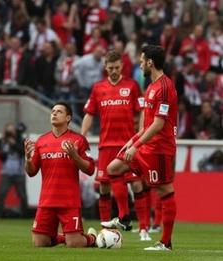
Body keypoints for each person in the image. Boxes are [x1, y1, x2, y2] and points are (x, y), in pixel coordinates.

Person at [106, 45, 178, 251]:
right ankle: (123, 218)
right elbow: (147, 125)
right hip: (146, 145)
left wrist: (136, 144)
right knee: (113, 169)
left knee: (164, 190)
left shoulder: (164, 87)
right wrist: (132, 141)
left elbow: (158, 124)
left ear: (150, 63)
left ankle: (165, 242)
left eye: (141, 61)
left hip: (160, 149)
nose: (139, 64)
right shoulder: (151, 87)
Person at [81, 50, 151, 241]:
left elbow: (142, 109)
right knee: (104, 187)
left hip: (128, 144)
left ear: (122, 67)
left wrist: (143, 130)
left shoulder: (132, 86)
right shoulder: (98, 88)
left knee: (136, 184)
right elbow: (89, 114)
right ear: (105, 67)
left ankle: (143, 228)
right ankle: (106, 229)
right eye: (110, 68)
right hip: (106, 145)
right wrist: (82, 135)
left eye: (117, 67)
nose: (113, 71)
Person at [24, 101, 97, 248]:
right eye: (53, 111)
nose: (54, 113)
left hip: (69, 201)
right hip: (47, 201)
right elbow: (31, 172)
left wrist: (75, 156)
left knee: (75, 244)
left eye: (59, 111)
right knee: (39, 243)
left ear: (68, 118)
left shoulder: (78, 140)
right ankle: (65, 238)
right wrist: (27, 159)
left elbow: (90, 169)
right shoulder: (41, 141)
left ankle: (93, 238)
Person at [0, 123, 28, 218]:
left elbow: (24, 152)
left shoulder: (20, 140)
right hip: (6, 173)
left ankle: (25, 215)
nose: (10, 132)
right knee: (1, 194)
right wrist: (1, 139)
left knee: (22, 195)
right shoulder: (3, 141)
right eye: (8, 130)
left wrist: (14, 144)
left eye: (12, 130)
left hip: (19, 173)